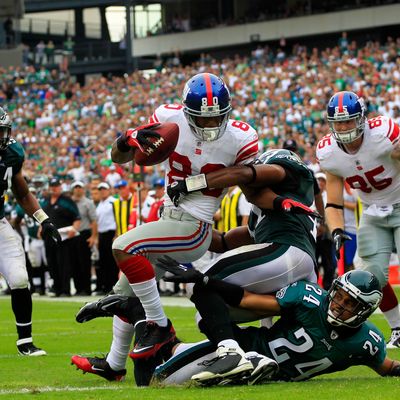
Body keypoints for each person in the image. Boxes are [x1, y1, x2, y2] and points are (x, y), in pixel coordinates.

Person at [75, 148, 320, 384]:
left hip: (288, 252)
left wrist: (192, 184)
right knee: (208, 313)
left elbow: (245, 174)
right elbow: (224, 241)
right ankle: (251, 355)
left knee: (202, 283)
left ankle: (230, 352)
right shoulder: (268, 215)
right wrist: (185, 227)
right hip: (291, 264)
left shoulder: (288, 172)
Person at [71, 72, 259, 381]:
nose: (211, 126)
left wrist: (194, 183)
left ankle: (158, 325)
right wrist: (126, 139)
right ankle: (115, 364)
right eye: (203, 119)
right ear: (187, 112)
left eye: (217, 118)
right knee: (125, 293)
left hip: (195, 224)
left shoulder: (242, 137)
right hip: (169, 218)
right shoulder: (168, 119)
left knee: (122, 246)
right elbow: (119, 159)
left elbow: (243, 175)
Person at [151, 269, 400, 386]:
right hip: (246, 347)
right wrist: (206, 279)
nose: (338, 305)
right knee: (154, 379)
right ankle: (138, 314)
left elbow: (388, 367)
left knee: (170, 363)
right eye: (340, 296)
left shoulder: (368, 341)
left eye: (350, 303)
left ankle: (171, 343)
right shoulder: (309, 299)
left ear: (365, 311)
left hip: (271, 374)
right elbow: (248, 300)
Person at [316, 90, 400, 348]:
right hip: (372, 213)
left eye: (349, 120)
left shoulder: (384, 133)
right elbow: (333, 200)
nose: (343, 127)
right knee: (369, 277)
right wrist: (337, 229)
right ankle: (398, 327)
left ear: (361, 118)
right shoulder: (328, 152)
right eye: (338, 122)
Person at [0, 106, 61, 355]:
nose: (1, 137)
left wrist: (43, 219)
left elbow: (22, 192)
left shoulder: (12, 154)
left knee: (19, 278)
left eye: (2, 131)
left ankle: (25, 341)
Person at [42, 178, 81, 297]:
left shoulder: (67, 201)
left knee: (64, 264)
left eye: (56, 186)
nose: (54, 188)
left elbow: (77, 218)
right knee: (52, 263)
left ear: (60, 187)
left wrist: (74, 229)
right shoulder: (46, 201)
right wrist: (40, 228)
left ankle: (65, 289)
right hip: (49, 237)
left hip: (63, 238)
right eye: (52, 186)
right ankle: (57, 288)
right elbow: (42, 218)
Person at [70, 181, 97, 295]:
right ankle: (78, 288)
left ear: (83, 189)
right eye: (75, 187)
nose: (78, 189)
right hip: (71, 234)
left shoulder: (88, 203)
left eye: (79, 187)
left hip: (84, 233)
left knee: (85, 262)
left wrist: (93, 236)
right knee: (74, 262)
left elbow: (94, 221)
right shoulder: (69, 202)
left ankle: (86, 288)